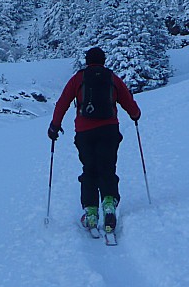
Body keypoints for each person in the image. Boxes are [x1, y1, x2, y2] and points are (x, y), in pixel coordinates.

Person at [48, 47, 141, 232]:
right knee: (107, 168)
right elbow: (127, 100)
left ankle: (91, 213)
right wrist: (135, 114)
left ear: (87, 60)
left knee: (89, 170)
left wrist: (54, 126)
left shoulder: (79, 78)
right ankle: (109, 203)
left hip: (84, 132)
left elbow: (63, 102)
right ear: (104, 60)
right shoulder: (111, 77)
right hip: (109, 130)